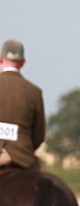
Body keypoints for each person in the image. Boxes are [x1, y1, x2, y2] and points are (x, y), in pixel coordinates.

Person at [0, 39, 46, 172]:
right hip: (22, 158)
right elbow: (38, 135)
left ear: (1, 59)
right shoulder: (34, 92)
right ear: (23, 63)